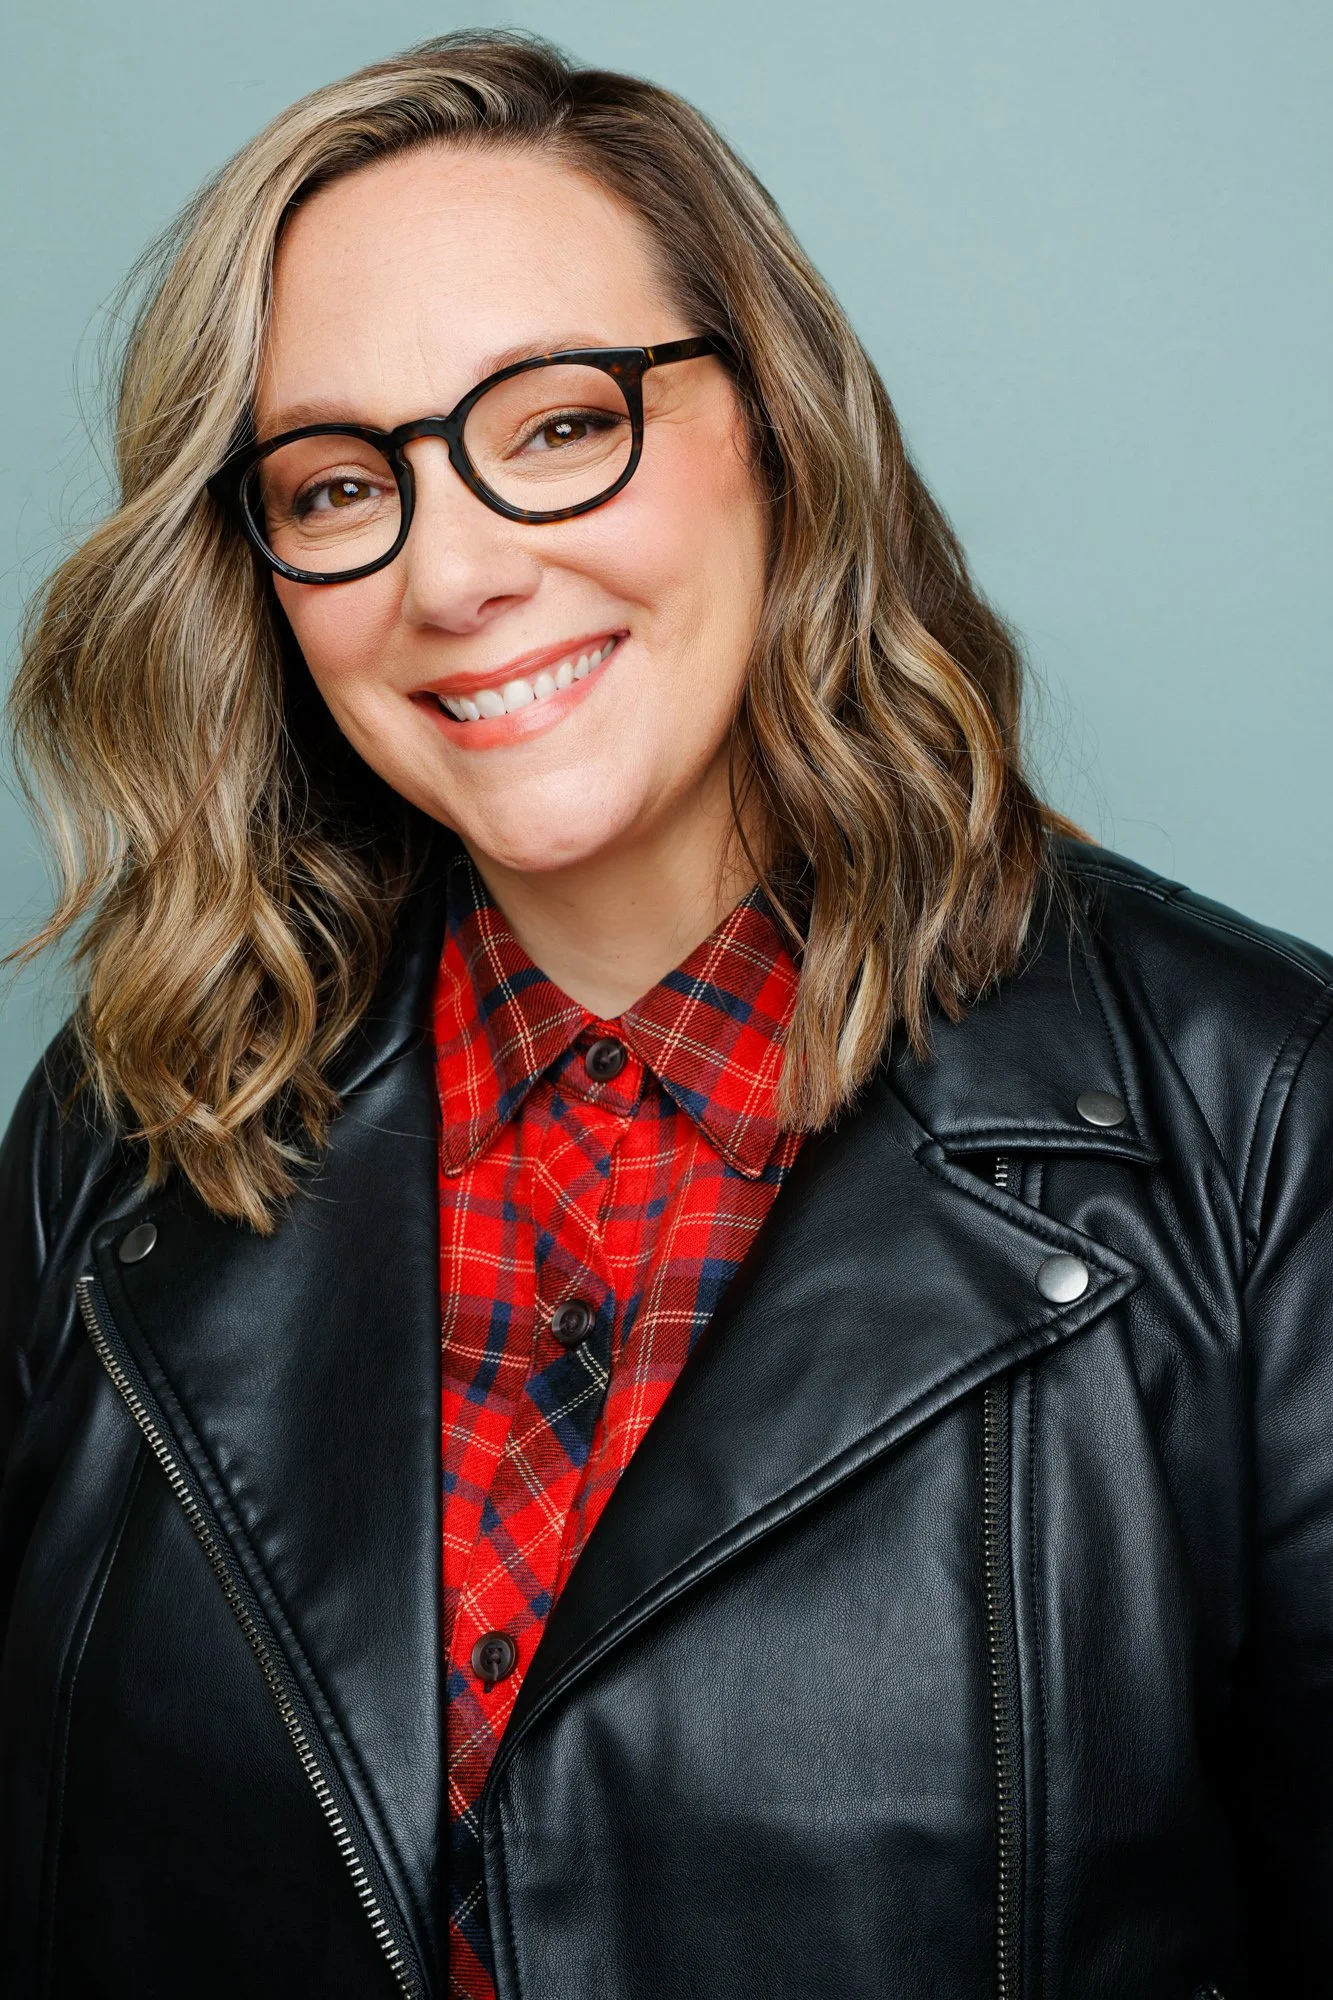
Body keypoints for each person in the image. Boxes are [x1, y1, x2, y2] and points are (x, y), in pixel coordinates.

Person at [1, 29, 1329, 2000]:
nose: (455, 572)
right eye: (340, 483)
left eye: (558, 425)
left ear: (776, 428)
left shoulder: (1267, 1116)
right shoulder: (134, 1116)